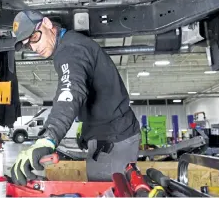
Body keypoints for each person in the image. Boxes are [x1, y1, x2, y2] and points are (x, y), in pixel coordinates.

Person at [10, 10, 140, 185]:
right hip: (104, 137)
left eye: (34, 37)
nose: (33, 47)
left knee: (109, 192)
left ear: (48, 24)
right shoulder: (68, 46)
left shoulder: (71, 50)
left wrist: (48, 138)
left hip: (114, 138)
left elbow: (70, 92)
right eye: (27, 45)